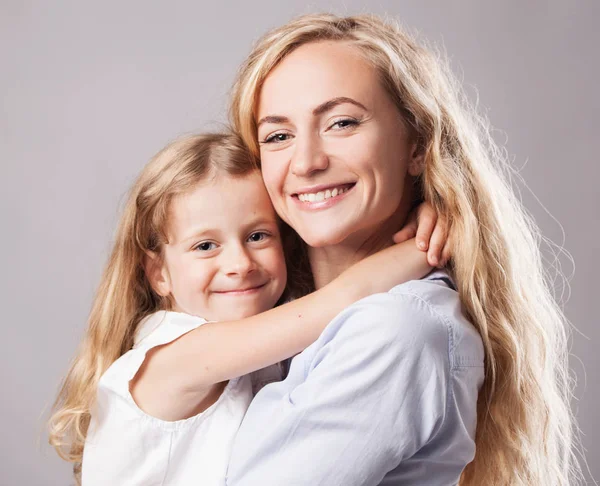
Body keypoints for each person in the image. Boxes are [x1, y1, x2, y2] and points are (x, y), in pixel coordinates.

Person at [226, 13, 581, 486]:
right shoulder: (258, 300)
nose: (307, 162)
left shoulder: (398, 330)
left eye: (342, 123)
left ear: (416, 145)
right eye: (278, 136)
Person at [47, 132, 445, 485]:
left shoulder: (263, 342)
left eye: (257, 236)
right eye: (205, 246)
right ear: (158, 274)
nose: (239, 264)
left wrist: (416, 214)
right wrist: (443, 234)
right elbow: (346, 296)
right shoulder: (176, 357)